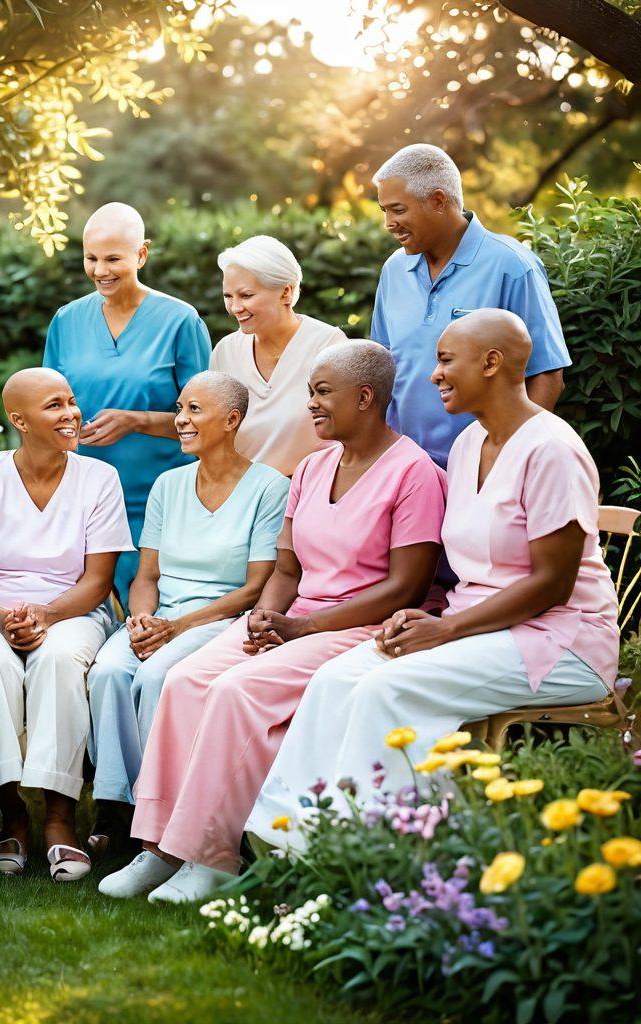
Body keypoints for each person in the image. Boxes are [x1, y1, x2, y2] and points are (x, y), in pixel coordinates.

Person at [248, 310, 617, 847]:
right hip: (480, 628)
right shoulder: (469, 444)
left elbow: (551, 587)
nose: (434, 374)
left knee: (387, 687)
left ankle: (383, 854)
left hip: (559, 641)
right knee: (333, 679)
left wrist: (445, 630)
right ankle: (289, 845)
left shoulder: (552, 450)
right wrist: (439, 621)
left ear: (492, 363)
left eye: (446, 360)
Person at [99, 342, 447, 903]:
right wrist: (267, 616)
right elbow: (286, 568)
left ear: (365, 397)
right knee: (186, 680)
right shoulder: (312, 466)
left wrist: (302, 629)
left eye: (321, 392)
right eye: (309, 391)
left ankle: (213, 856)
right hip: (297, 619)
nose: (309, 403)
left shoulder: (415, 474)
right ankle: (159, 847)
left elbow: (403, 588)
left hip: (359, 628)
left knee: (236, 691)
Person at [0, 202, 210, 602]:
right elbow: (40, 415)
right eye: (91, 258)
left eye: (113, 258)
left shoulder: (181, 321)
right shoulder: (67, 320)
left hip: (156, 499)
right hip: (76, 498)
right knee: (80, 619)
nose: (100, 270)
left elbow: (205, 420)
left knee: (148, 615)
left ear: (141, 254)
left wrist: (138, 420)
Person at [0, 368, 134, 882]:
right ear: (18, 420)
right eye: (54, 405)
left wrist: (45, 616)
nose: (71, 413)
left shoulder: (100, 479)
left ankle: (60, 816)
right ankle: (13, 815)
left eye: (71, 401)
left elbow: (98, 581)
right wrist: (4, 620)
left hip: (72, 609)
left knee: (58, 660)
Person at [85, 371, 289, 853]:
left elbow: (255, 587)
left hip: (221, 619)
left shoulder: (269, 488)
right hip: (161, 617)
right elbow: (146, 577)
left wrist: (175, 629)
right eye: (180, 409)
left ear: (232, 419)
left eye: (194, 410)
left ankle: (165, 808)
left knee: (156, 676)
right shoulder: (168, 485)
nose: (180, 420)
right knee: (109, 670)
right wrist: (139, 620)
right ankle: (116, 805)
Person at [371, 143, 570, 468]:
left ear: (438, 200)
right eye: (385, 211)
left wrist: (509, 462)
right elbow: (383, 367)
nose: (389, 223)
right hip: (403, 472)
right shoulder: (394, 270)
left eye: (398, 209)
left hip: (482, 471)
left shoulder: (512, 265)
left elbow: (547, 374)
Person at [212, 234, 347, 476]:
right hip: (241, 497)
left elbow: (347, 435)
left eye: (246, 295)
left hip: (310, 494)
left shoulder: (327, 346)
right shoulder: (225, 352)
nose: (235, 308)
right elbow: (215, 435)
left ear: (286, 292)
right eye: (228, 296)